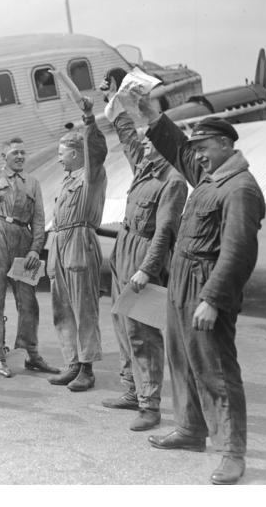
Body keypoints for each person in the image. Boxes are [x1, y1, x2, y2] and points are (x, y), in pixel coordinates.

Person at [129, 95, 265, 485]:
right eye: (197, 151)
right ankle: (190, 430)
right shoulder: (210, 174)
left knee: (216, 371)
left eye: (204, 148)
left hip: (206, 286)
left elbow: (239, 251)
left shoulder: (239, 188)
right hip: (180, 282)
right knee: (182, 361)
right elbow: (179, 150)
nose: (198, 157)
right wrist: (154, 117)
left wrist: (213, 299)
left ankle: (232, 452)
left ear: (226, 145)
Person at [100, 74, 188, 432]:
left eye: (150, 140)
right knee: (121, 322)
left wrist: (148, 271)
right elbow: (125, 139)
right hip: (124, 247)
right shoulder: (146, 167)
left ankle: (150, 407)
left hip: (144, 256)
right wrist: (116, 107)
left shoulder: (173, 181)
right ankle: (131, 391)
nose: (143, 143)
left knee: (142, 332)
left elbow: (165, 233)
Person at [0, 86, 58, 378]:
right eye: (14, 153)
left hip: (23, 243)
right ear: (3, 156)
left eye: (23, 152)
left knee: (28, 301)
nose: (20, 156)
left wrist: (34, 248)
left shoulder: (33, 183)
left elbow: (40, 220)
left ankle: (31, 353)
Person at [45, 70, 107, 392]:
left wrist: (87, 117)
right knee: (62, 308)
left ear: (75, 152)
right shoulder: (67, 180)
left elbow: (95, 147)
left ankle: (87, 368)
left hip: (80, 242)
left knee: (84, 308)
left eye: (62, 155)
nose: (59, 161)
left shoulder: (90, 174)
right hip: (59, 242)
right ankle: (71, 362)